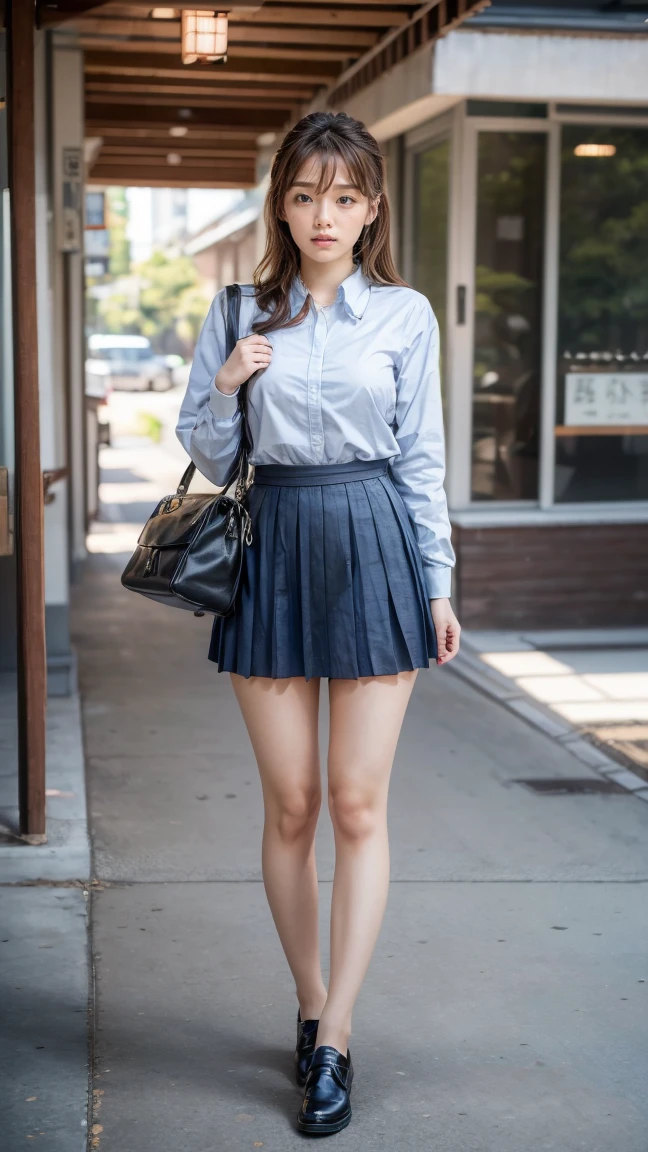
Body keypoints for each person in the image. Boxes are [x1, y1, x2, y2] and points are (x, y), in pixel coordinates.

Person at [176, 110, 460, 1136]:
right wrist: (225, 383)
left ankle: (337, 1033)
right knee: (291, 806)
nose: (323, 215)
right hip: (275, 544)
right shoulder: (240, 306)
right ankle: (306, 1001)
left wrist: (438, 583)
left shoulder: (407, 316)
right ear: (281, 204)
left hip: (378, 542)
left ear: (372, 207)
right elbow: (209, 456)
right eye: (305, 195)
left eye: (343, 197)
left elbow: (422, 457)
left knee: (355, 804)